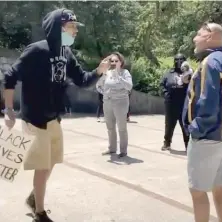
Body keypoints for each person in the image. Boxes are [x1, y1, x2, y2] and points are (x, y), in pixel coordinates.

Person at [3, 8, 110, 222]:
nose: (75, 32)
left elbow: (81, 79)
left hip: (54, 118)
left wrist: (98, 71)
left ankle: (35, 197)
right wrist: (8, 109)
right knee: (42, 167)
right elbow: (10, 76)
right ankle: (39, 213)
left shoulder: (66, 53)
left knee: (51, 162)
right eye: (71, 27)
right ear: (57, 28)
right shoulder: (37, 51)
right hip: (35, 119)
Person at [182, 22, 222, 222]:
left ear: (210, 36)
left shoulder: (210, 63)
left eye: (198, 34)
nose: (195, 38)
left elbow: (208, 104)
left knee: (197, 191)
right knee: (218, 187)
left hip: (207, 137)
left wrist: (194, 129)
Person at [96, 52, 133, 158]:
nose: (113, 63)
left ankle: (123, 150)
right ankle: (112, 148)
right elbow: (98, 85)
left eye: (116, 61)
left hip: (120, 102)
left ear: (121, 62)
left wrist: (119, 77)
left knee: (122, 127)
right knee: (110, 127)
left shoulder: (125, 72)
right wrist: (104, 93)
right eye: (112, 61)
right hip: (108, 102)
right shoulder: (107, 72)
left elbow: (129, 86)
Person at [160, 53, 192, 151]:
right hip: (170, 103)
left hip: (184, 104)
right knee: (169, 124)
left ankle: (188, 145)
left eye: (181, 60)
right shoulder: (169, 73)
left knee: (185, 125)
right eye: (177, 60)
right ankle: (167, 143)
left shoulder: (189, 73)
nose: (179, 62)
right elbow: (162, 85)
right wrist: (165, 94)